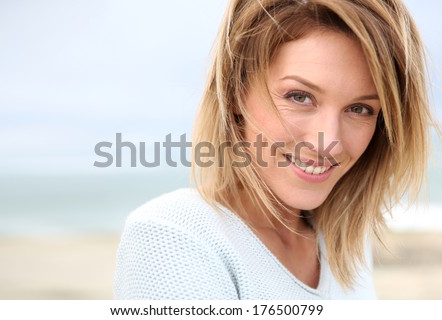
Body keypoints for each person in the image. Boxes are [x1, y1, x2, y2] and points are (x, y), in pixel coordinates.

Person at [114, 0, 435, 299]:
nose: (329, 141)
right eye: (299, 97)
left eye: (360, 109)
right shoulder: (173, 236)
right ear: (235, 94)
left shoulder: (345, 241)